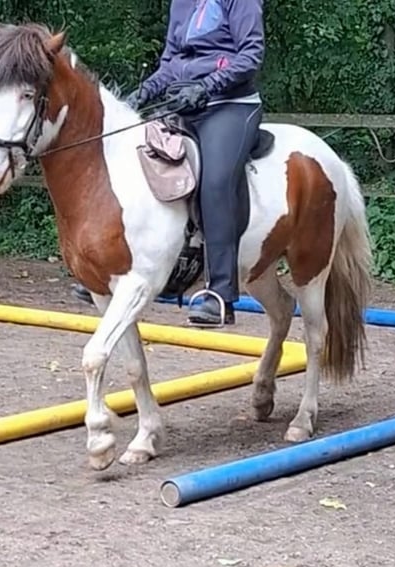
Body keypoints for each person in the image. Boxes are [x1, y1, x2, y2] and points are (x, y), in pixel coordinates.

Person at [73, 0, 265, 327]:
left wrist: (206, 86)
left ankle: (221, 293)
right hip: (184, 104)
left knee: (215, 183)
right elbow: (170, 63)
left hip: (230, 105)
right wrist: (142, 93)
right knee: (139, 166)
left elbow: (250, 55)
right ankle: (121, 268)